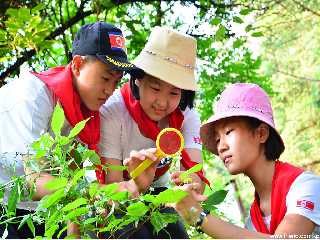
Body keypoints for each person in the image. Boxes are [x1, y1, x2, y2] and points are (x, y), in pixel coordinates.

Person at [0, 21, 142, 238]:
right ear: (77, 64)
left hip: (38, 212)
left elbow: (72, 178)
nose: (109, 90)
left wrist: (74, 235)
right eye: (105, 78)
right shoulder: (33, 97)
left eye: (116, 82)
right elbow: (34, 180)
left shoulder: (85, 113)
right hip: (6, 208)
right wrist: (100, 193)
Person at [97, 26, 210, 239]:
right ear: (138, 80)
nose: (162, 102)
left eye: (174, 93)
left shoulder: (187, 116)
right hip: (117, 194)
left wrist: (187, 188)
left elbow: (196, 175)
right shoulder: (113, 111)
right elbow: (111, 186)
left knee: (175, 231)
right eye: (155, 88)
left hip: (158, 192)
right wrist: (136, 183)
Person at [172, 83, 320, 238]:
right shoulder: (253, 221)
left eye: (228, 132)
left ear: (261, 133)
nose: (221, 147)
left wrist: (198, 215)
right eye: (217, 139)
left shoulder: (305, 186)